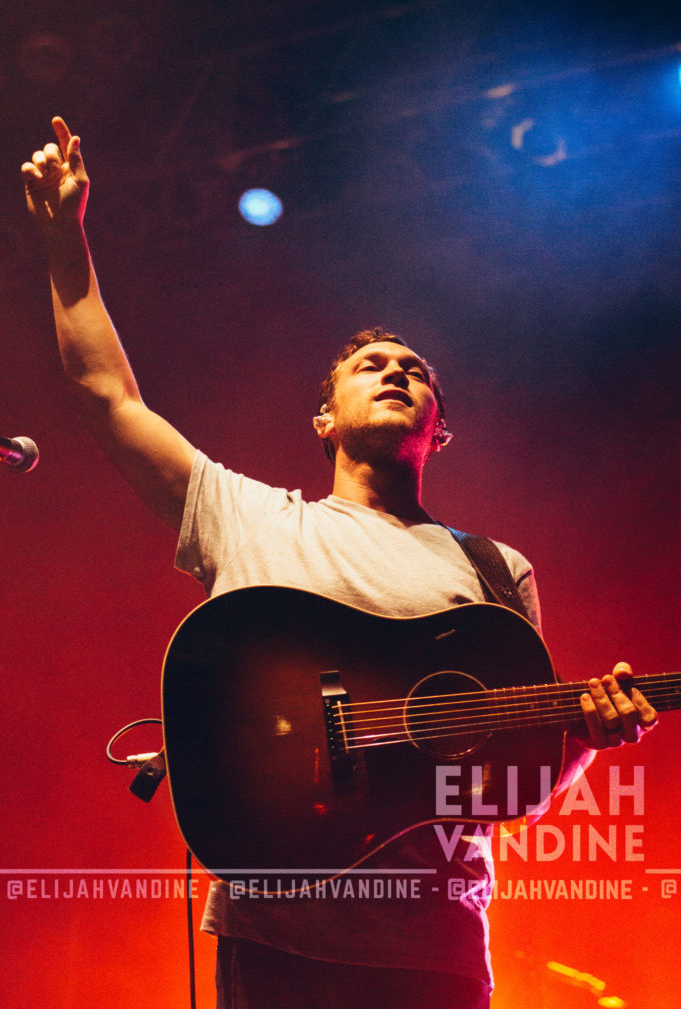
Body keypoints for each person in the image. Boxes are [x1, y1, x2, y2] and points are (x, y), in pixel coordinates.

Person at [22, 118, 658, 1009]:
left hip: (434, 942)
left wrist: (588, 739)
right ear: (324, 419)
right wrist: (63, 233)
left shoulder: (494, 570)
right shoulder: (244, 514)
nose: (395, 371)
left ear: (439, 427)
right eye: (370, 364)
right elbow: (106, 395)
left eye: (415, 370)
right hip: (277, 931)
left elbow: (506, 784)